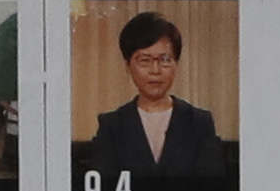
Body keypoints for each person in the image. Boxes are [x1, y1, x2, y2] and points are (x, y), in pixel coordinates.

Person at [88, 12, 223, 179]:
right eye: (144, 60)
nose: (155, 70)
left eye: (165, 59)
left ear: (176, 63)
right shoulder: (112, 125)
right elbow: (106, 188)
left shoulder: (199, 122)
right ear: (128, 65)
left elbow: (212, 189)